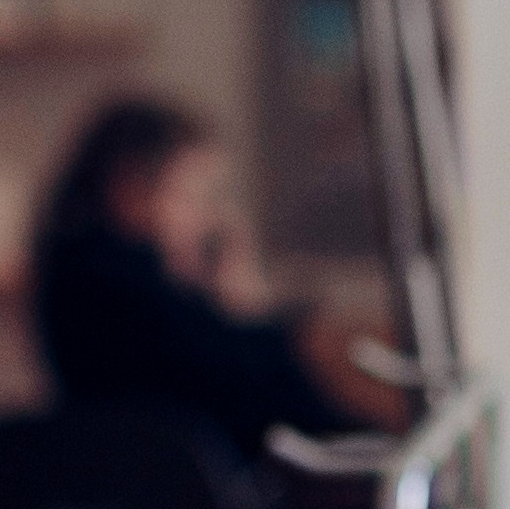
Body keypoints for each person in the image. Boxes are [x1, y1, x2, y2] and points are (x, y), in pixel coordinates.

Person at [20, 97, 407, 447]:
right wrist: (248, 309)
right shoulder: (120, 295)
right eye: (194, 197)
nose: (210, 221)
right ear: (131, 192)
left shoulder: (85, 280)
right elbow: (258, 390)